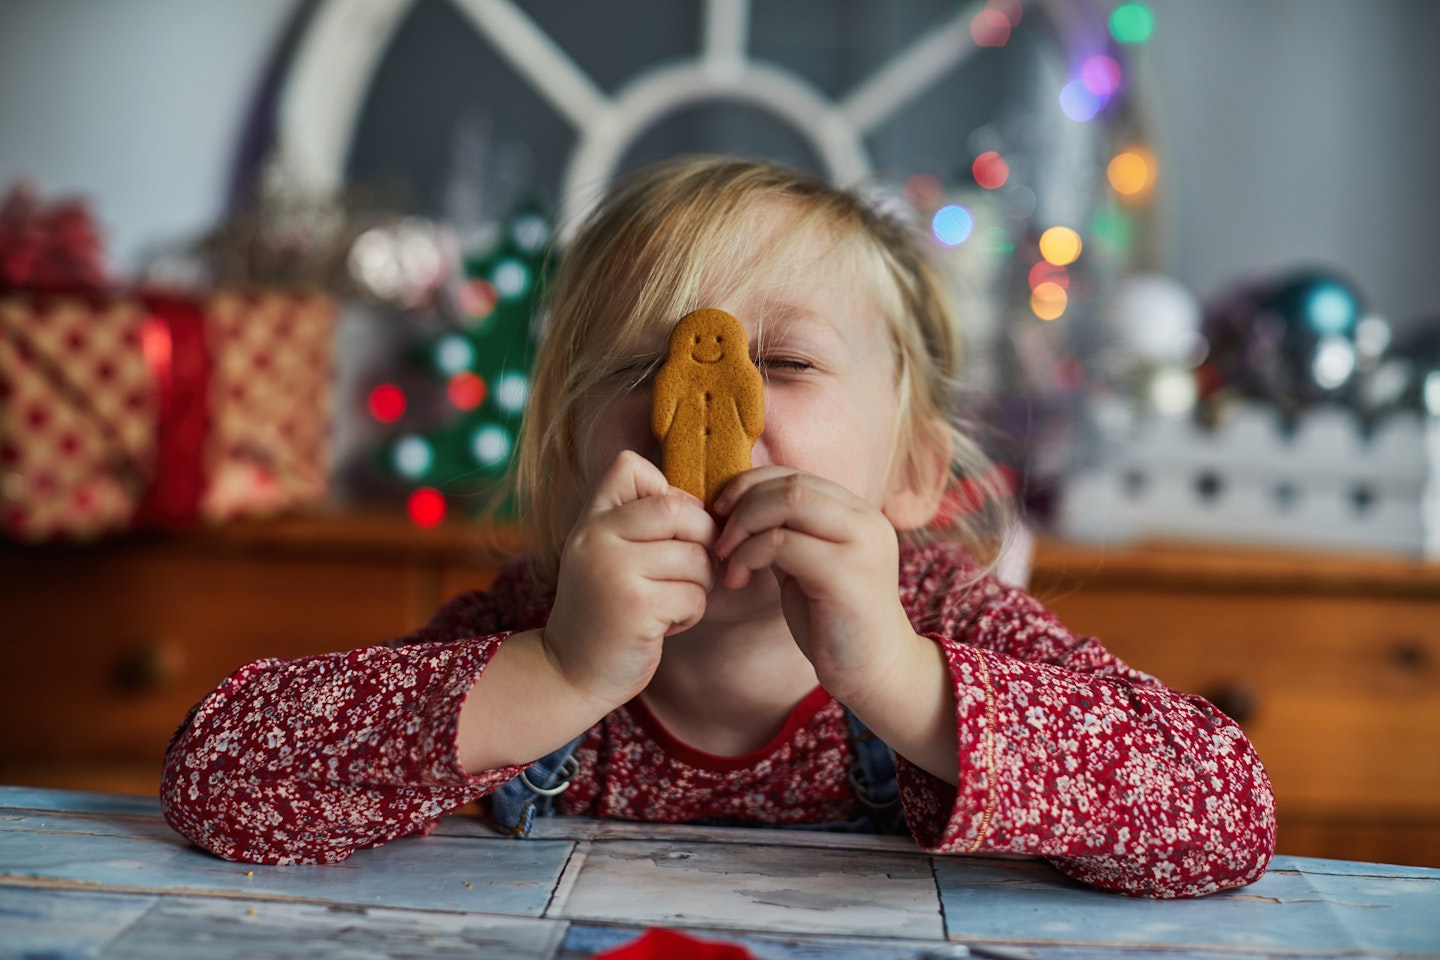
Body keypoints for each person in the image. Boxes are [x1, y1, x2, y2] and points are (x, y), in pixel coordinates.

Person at [160, 155, 1275, 898]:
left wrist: (900, 675)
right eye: (640, 366)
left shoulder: (944, 620)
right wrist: (553, 672)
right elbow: (218, 778)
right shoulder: (543, 619)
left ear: (913, 475)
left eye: (783, 364)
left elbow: (1226, 814)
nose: (694, 404)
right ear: (569, 459)